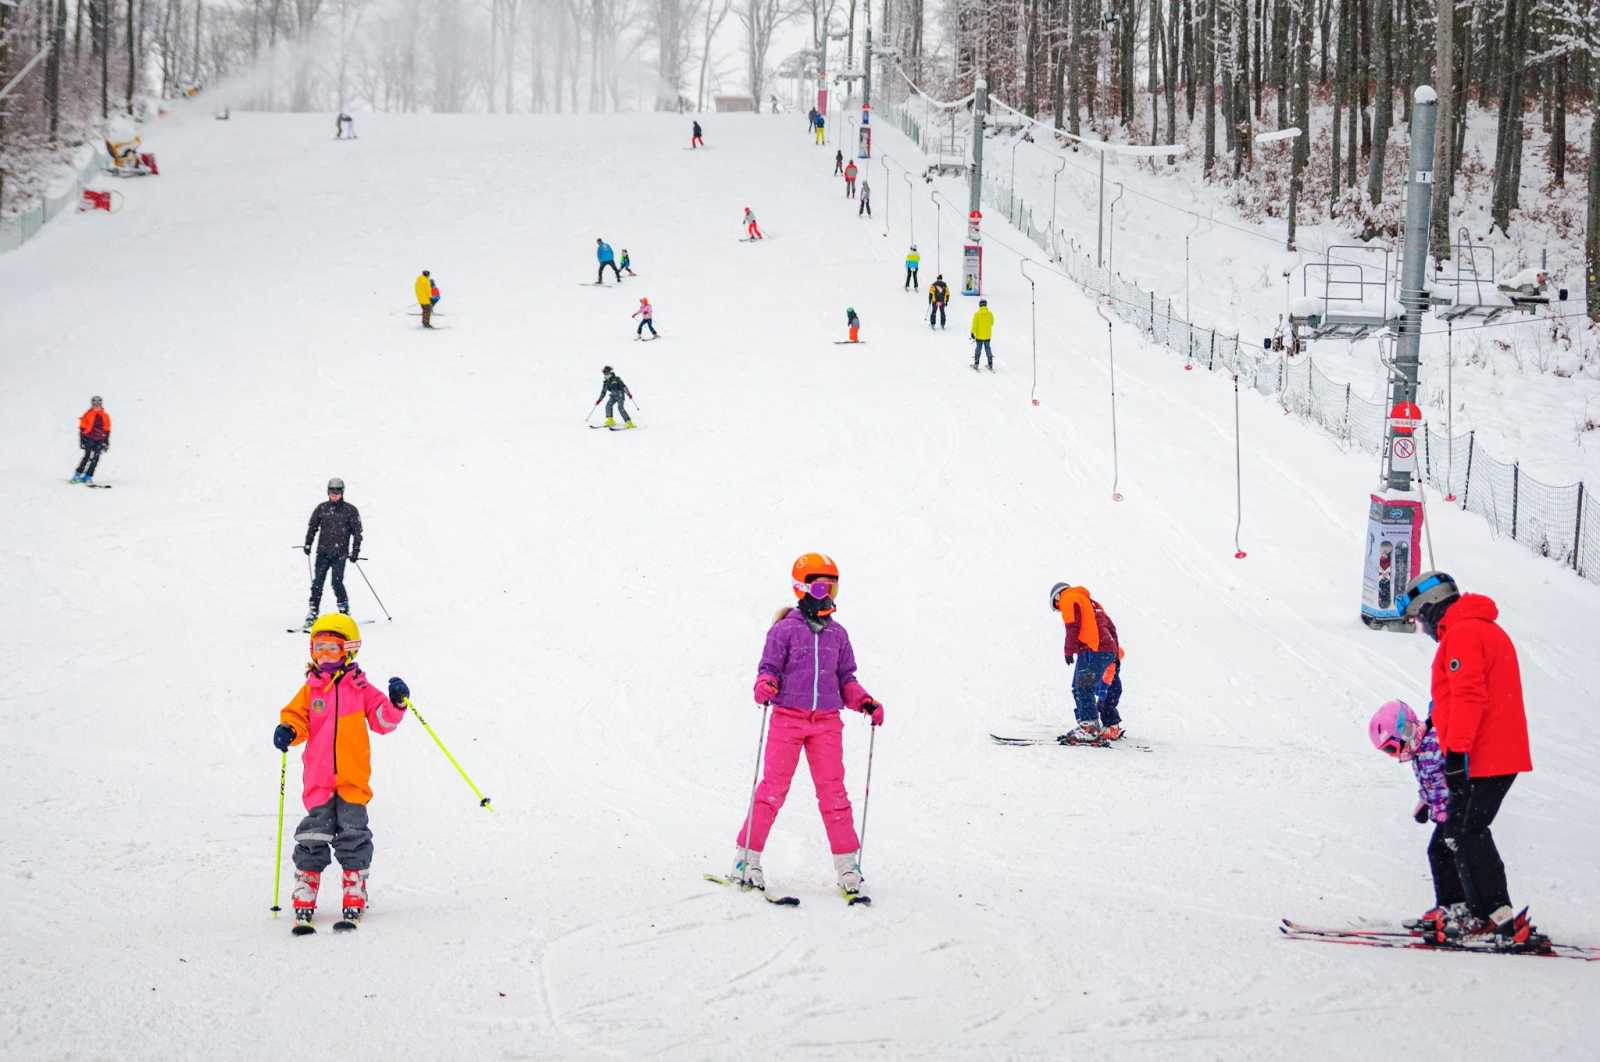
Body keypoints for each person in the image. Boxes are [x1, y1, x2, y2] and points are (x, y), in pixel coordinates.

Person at [1396, 571, 1536, 946]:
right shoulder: (1477, 630)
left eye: (1418, 618)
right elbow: (1452, 700)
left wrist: (1455, 754)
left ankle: (1495, 915)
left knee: (1466, 832)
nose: (1421, 627)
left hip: (1485, 755)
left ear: (1431, 608)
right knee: (1452, 834)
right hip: (1489, 752)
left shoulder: (1463, 635)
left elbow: (1470, 698)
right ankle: (1459, 909)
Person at [733, 552, 883, 900]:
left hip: (827, 723)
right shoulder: (784, 630)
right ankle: (746, 859)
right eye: (819, 587)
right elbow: (768, 668)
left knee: (834, 795)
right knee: (772, 790)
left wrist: (864, 700)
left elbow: (845, 679)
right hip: (788, 718)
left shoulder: (838, 635)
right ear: (801, 589)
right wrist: (765, 685)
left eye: (832, 587)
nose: (827, 594)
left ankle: (848, 866)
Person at [272, 614, 409, 929]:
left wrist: (396, 704)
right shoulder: (312, 689)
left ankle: (354, 886)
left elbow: (382, 721)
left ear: (348, 650)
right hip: (319, 780)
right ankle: (306, 885)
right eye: (318, 647)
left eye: (331, 648)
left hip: (352, 779)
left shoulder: (359, 688)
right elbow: (296, 717)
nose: (323, 654)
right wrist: (288, 730)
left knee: (353, 833)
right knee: (312, 834)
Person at [1367, 701, 1463, 938]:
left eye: (1391, 749)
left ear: (1405, 732)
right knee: (1441, 853)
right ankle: (1451, 906)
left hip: (1455, 812)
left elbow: (1447, 781)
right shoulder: (1420, 750)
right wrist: (1424, 803)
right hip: (1444, 811)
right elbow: (1430, 783)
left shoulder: (1434, 743)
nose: (1394, 755)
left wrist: (1447, 809)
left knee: (1442, 853)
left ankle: (1456, 907)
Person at [1049, 582, 1125, 744]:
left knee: (1082, 685)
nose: (1059, 609)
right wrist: (1114, 653)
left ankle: (1089, 727)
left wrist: (1068, 651)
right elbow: (1110, 627)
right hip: (1103, 649)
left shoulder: (1068, 598)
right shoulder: (1092, 603)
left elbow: (1072, 627)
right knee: (1084, 685)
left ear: (1057, 597)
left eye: (1056, 606)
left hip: (1095, 650)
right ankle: (1110, 725)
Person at [303, 478, 363, 627]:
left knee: (336, 582)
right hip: (323, 552)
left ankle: (344, 610)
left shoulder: (350, 510)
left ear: (342, 492)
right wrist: (308, 543)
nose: (334, 495)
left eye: (337, 492)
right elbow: (313, 527)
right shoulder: (322, 508)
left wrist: (355, 551)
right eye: (331, 492)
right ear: (328, 492)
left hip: (339, 554)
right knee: (317, 582)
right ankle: (313, 611)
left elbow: (357, 533)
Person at [71, 396, 112, 484]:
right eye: (94, 404)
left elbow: (107, 429)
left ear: (101, 404)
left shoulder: (105, 416)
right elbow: (82, 428)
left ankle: (88, 476)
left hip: (100, 439)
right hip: (89, 438)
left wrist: (106, 442)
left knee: (96, 458)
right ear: (92, 404)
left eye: (98, 404)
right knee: (87, 457)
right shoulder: (88, 414)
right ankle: (77, 475)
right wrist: (82, 441)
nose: (96, 406)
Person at [971, 298, 995, 370]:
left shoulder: (977, 314)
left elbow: (974, 325)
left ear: (979, 305)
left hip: (979, 336)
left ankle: (976, 364)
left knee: (978, 349)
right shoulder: (990, 314)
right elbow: (992, 323)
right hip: (987, 335)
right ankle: (990, 364)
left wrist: (972, 332)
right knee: (988, 349)